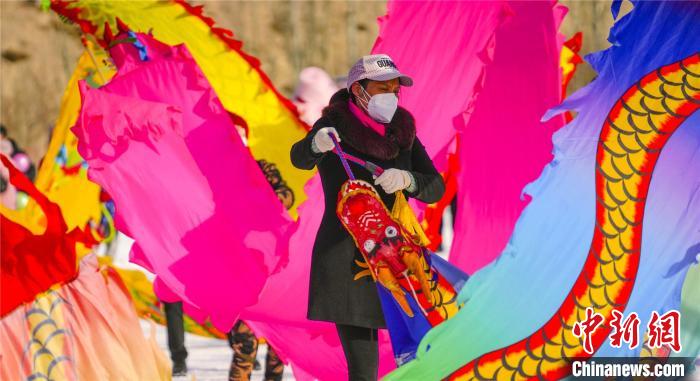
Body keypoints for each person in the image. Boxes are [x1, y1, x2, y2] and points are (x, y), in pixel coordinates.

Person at [290, 54, 444, 381]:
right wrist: (315, 144)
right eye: (382, 87)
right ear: (359, 89)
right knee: (364, 369)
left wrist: (408, 180)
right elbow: (299, 158)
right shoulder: (334, 124)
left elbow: (435, 186)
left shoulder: (403, 131)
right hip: (346, 259)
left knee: (426, 348)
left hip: (395, 257)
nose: (391, 94)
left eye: (395, 88)